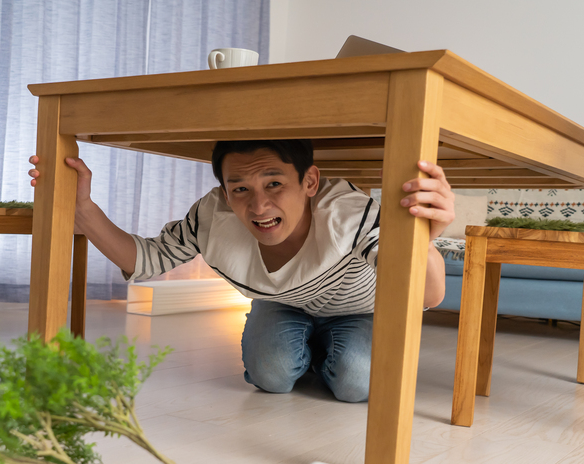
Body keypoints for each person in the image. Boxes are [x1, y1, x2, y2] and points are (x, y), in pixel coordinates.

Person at [28, 139, 455, 403]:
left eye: (274, 184)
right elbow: (142, 260)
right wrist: (83, 209)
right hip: (280, 303)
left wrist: (425, 241)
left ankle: (333, 349)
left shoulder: (348, 214)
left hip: (361, 310)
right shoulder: (213, 216)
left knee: (355, 385)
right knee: (270, 375)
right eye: (240, 189)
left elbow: (427, 296)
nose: (259, 206)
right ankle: (306, 348)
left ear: (310, 181)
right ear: (223, 190)